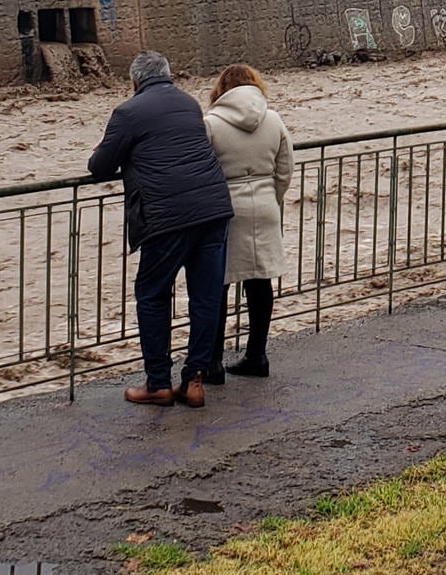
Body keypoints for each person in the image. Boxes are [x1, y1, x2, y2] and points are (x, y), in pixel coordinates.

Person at [89, 51, 234, 410]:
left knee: (152, 295)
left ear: (135, 82)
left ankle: (158, 383)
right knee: (206, 297)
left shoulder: (127, 113)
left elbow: (99, 166)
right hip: (213, 209)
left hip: (167, 217)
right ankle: (194, 380)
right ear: (168, 76)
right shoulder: (188, 103)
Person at [204, 64, 294, 379]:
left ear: (221, 90)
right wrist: (273, 197)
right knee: (260, 281)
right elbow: (285, 170)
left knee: (218, 283)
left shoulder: (211, 124)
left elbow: (203, 172)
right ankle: (257, 355)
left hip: (226, 209)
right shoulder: (273, 119)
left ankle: (212, 362)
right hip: (266, 206)